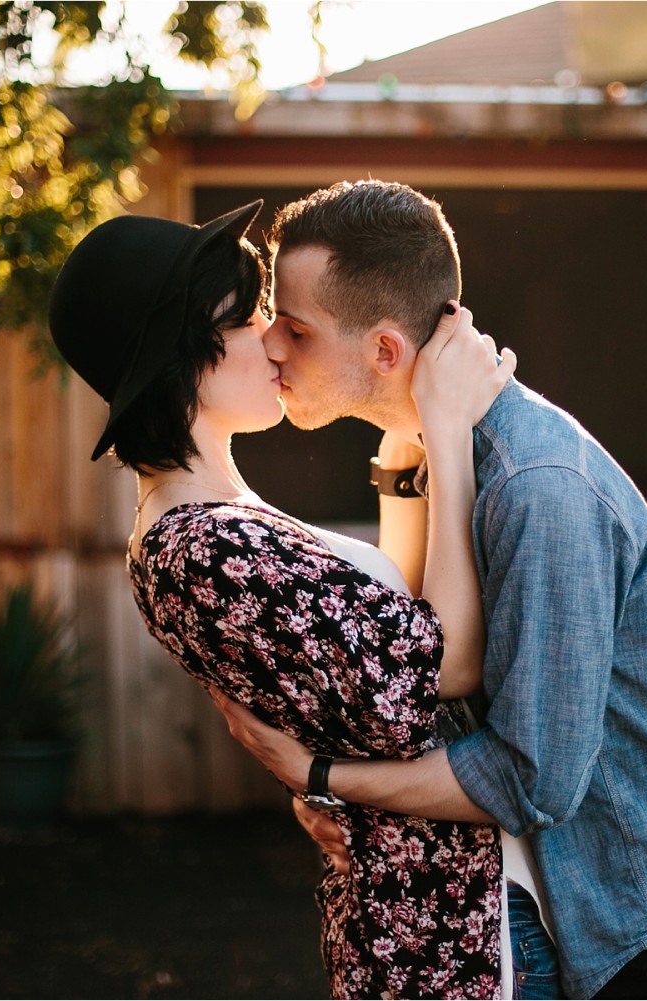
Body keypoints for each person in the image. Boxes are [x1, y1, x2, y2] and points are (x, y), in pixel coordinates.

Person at [214, 179, 647, 1000]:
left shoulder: (539, 487)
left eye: (295, 326)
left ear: (386, 352)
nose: (272, 345)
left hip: (636, 928)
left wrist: (325, 775)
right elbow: (426, 674)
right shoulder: (435, 454)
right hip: (551, 912)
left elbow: (533, 777)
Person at [47, 200, 520, 999]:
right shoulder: (203, 547)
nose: (274, 337)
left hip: (443, 911)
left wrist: (401, 447)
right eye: (251, 317)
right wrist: (445, 428)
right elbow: (445, 663)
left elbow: (393, 617)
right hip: (432, 946)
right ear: (183, 356)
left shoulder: (223, 512)